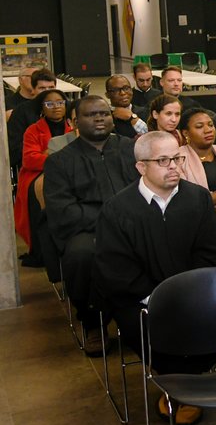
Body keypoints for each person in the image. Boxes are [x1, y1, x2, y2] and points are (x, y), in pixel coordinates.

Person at [95, 131, 216, 425]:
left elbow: (210, 253)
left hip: (195, 293)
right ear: (141, 166)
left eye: (177, 158)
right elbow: (116, 267)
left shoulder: (198, 199)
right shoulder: (118, 209)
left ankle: (184, 385)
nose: (174, 166)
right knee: (146, 325)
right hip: (141, 299)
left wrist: (189, 294)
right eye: (163, 160)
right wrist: (158, 298)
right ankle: (181, 387)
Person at [44, 96, 139, 355]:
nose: (99, 118)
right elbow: (63, 210)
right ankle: (94, 322)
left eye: (104, 113)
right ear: (75, 122)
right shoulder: (60, 161)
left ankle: (154, 312)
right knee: (81, 255)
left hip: (134, 222)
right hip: (87, 229)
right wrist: (110, 220)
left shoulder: (131, 150)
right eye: (90, 115)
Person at [15, 89, 71, 248]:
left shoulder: (74, 127)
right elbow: (29, 160)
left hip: (69, 171)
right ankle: (41, 246)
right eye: (49, 104)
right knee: (40, 192)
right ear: (42, 108)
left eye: (60, 103)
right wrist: (60, 158)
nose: (56, 107)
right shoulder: (33, 130)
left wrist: (48, 153)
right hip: (37, 174)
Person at [179, 107, 216, 205]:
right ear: (186, 133)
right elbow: (186, 198)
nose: (208, 130)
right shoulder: (178, 158)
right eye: (199, 126)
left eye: (211, 125)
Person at [7, 68, 57, 173]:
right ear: (33, 90)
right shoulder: (21, 112)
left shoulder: (64, 108)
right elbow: (15, 149)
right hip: (33, 166)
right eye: (42, 88)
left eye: (51, 87)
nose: (47, 92)